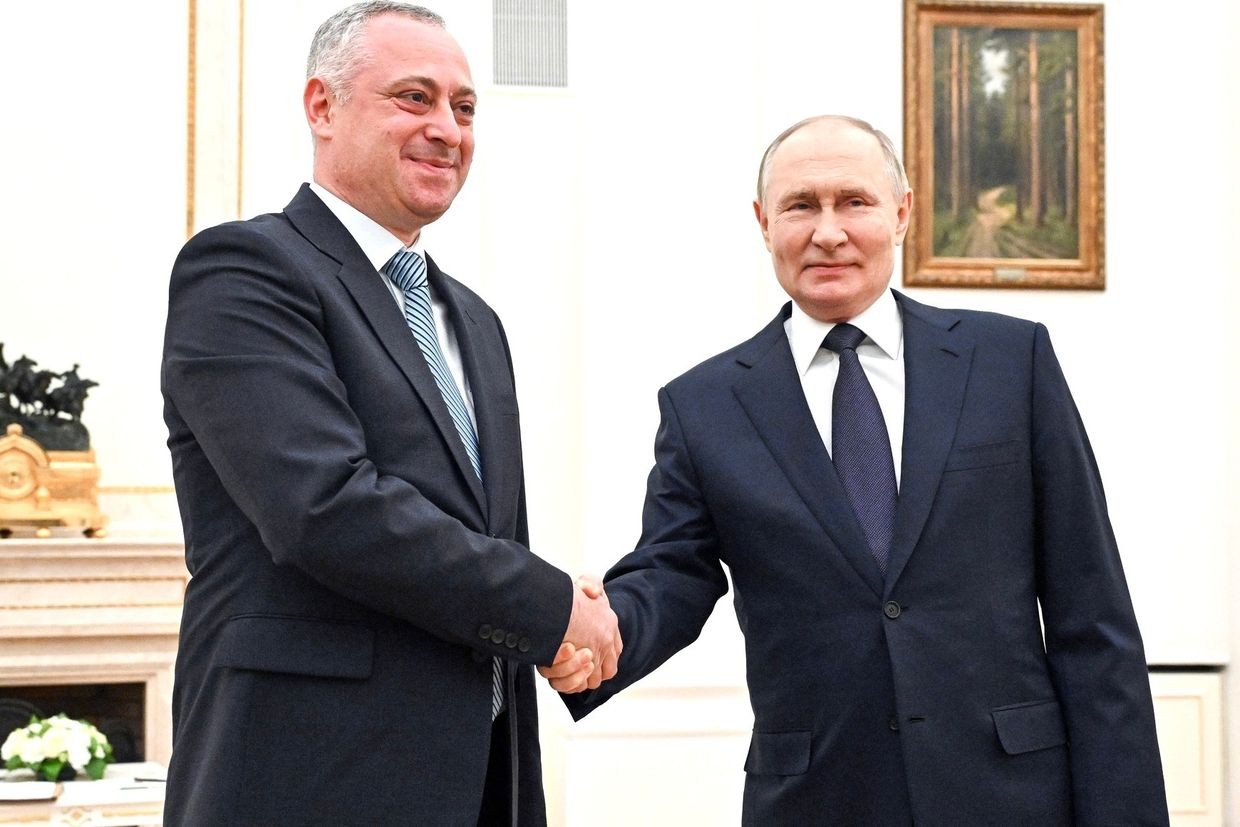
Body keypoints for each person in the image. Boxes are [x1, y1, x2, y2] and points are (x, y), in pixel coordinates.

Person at [543, 115, 1169, 825]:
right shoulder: (704, 405)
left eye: (854, 201)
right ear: (763, 222)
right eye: (801, 205)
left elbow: (1094, 615)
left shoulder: (1010, 363)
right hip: (820, 797)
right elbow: (672, 572)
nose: (828, 231)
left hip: (1010, 795)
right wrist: (592, 633)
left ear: (901, 212)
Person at [160, 3, 617, 824]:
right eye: (413, 97)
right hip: (305, 778)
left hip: (479, 784)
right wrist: (548, 607)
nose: (447, 128)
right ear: (322, 106)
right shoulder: (244, 271)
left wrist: (557, 631)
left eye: (464, 107)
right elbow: (325, 508)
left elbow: (480, 542)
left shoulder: (472, 319)